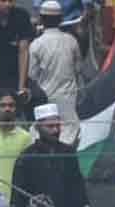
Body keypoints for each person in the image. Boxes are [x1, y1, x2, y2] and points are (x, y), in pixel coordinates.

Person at [29, 0, 81, 142]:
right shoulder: (72, 41)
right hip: (68, 100)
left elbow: (32, 76)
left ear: (41, 19)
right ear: (61, 19)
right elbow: (77, 71)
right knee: (68, 137)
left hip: (46, 100)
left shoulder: (36, 44)